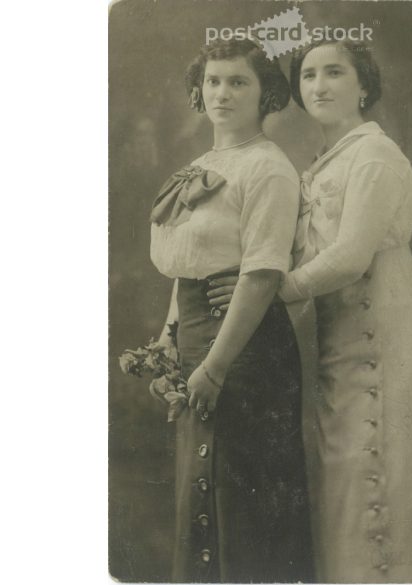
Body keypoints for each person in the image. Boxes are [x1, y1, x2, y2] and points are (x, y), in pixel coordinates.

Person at [208, 39, 412, 582]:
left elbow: (349, 256)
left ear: (364, 86)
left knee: (383, 474)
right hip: (340, 338)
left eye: (334, 73)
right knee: (345, 479)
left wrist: (272, 292)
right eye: (307, 76)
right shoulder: (324, 162)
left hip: (388, 329)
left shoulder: (375, 155)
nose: (319, 86)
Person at [150, 38, 313, 583]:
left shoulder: (268, 167)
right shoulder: (200, 166)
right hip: (197, 337)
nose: (222, 92)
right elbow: (189, 265)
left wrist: (215, 367)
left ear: (266, 93)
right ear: (199, 90)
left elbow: (263, 272)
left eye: (238, 82)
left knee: (243, 500)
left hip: (245, 349)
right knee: (198, 484)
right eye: (213, 81)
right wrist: (168, 338)